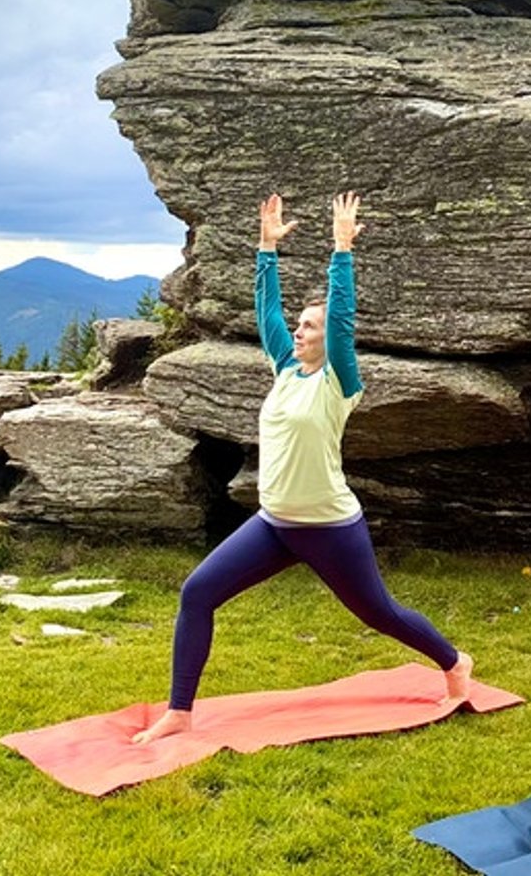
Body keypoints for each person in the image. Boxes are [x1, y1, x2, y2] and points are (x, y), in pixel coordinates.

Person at [135, 191, 472, 745]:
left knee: (380, 614)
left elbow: (341, 321)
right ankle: (180, 712)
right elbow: (267, 312)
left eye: (309, 327)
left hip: (330, 529)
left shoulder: (338, 383)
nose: (299, 331)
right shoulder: (287, 370)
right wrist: (266, 248)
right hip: (274, 525)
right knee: (197, 592)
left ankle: (455, 661)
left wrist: (342, 250)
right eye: (300, 325)